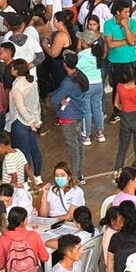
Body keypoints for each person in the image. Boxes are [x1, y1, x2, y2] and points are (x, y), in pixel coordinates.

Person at [50, 51, 89, 183]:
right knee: (79, 147)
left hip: (68, 119)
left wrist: (57, 98)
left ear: (65, 64)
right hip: (78, 116)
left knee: (73, 149)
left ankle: (75, 177)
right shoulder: (81, 75)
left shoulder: (68, 82)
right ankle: (80, 173)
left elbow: (54, 100)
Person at [7, 59, 44, 181]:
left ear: (16, 71)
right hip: (32, 120)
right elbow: (36, 101)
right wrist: (36, 119)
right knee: (34, 148)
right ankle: (37, 175)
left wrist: (30, 120)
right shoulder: (32, 81)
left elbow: (20, 107)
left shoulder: (17, 87)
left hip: (20, 122)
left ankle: (27, 179)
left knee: (22, 152)